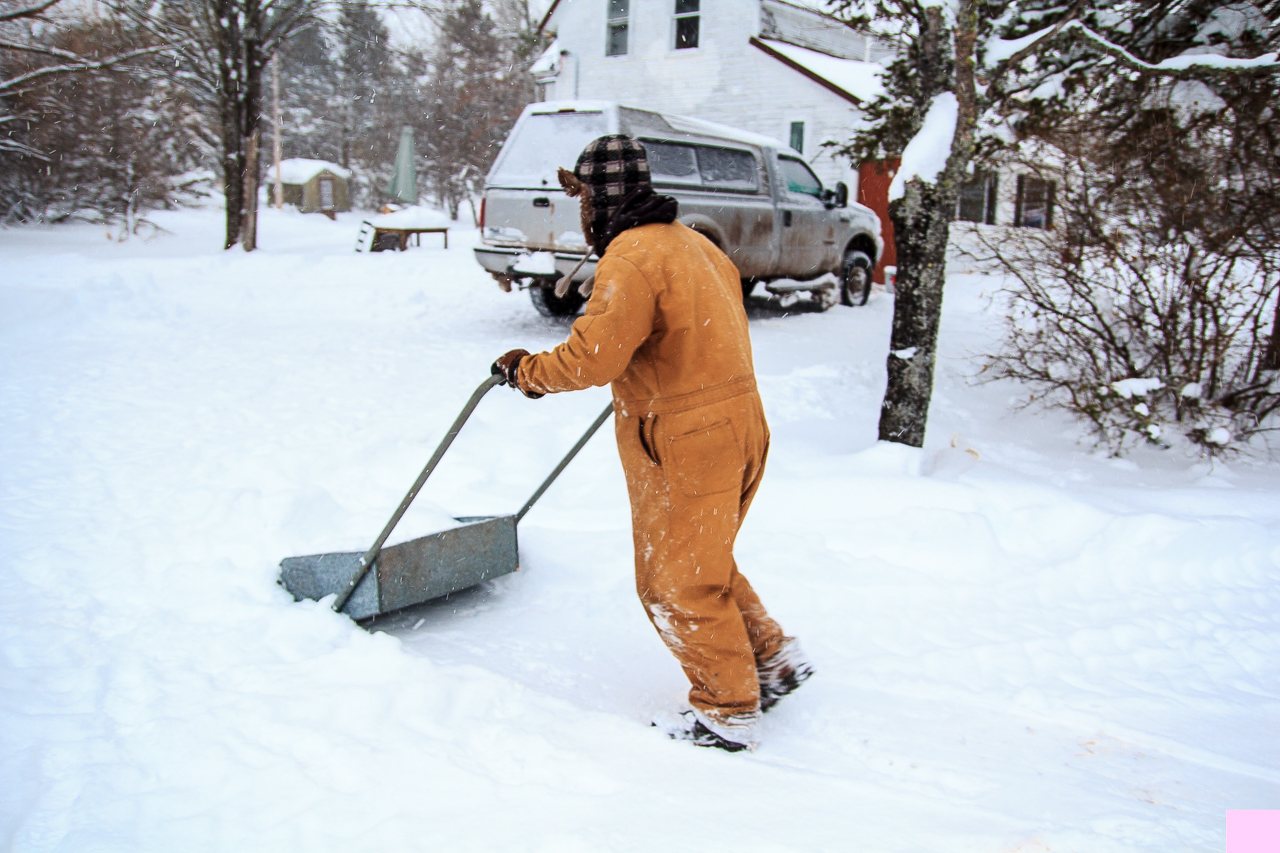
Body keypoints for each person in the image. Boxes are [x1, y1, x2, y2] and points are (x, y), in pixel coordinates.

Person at [492, 135, 811, 752]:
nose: (579, 209)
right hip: (740, 422)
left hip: (685, 439)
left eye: (581, 196)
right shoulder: (695, 243)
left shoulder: (630, 257)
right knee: (702, 557)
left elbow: (592, 357)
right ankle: (771, 657)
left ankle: (728, 709)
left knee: (674, 581)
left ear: (601, 196)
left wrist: (528, 373)